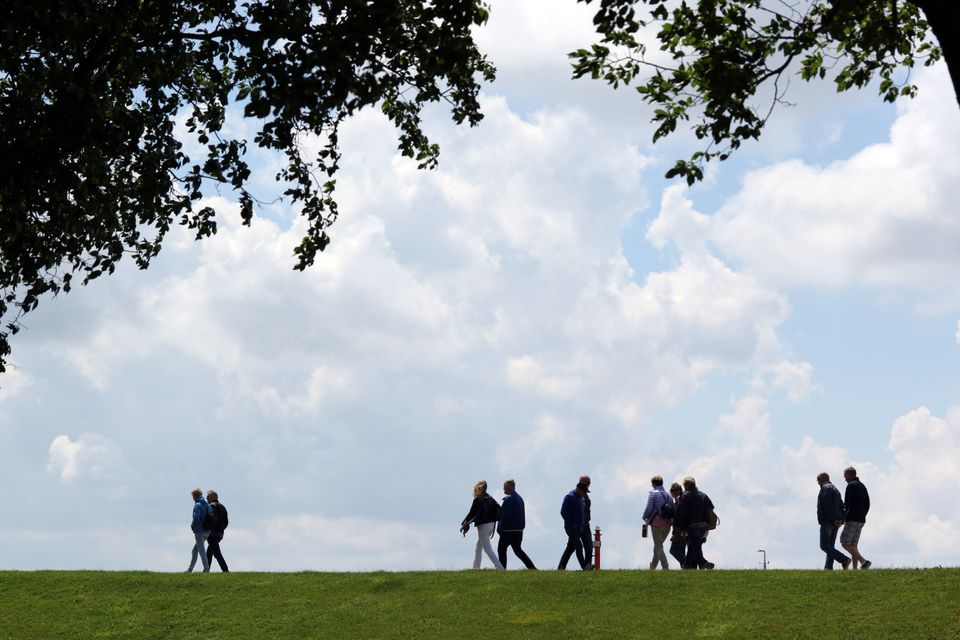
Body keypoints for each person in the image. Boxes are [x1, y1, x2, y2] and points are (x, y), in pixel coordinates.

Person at [460, 480, 504, 569]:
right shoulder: (490, 498)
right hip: (491, 526)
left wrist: (463, 523)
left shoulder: (477, 499)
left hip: (483, 527)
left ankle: (499, 568)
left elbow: (471, 513)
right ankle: (476, 567)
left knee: (488, 549)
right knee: (478, 546)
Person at [674, 476, 715, 570]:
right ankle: (687, 565)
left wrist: (681, 528)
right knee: (693, 546)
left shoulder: (685, 496)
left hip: (692, 527)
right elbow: (711, 509)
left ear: (686, 485)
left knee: (695, 546)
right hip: (704, 527)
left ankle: (702, 563)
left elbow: (682, 513)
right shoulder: (704, 495)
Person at [497, 479, 537, 569]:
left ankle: (502, 569)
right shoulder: (519, 498)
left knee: (501, 549)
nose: (503, 488)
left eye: (505, 486)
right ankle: (532, 568)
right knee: (518, 551)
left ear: (510, 487)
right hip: (518, 530)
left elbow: (506, 516)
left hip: (508, 531)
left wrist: (500, 528)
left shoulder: (508, 499)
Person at [817, 472, 851, 570]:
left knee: (824, 545)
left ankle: (844, 559)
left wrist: (834, 520)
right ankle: (828, 567)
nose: (817, 482)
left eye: (818, 480)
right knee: (830, 546)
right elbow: (842, 506)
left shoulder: (825, 488)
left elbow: (827, 507)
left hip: (828, 521)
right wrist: (841, 519)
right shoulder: (835, 489)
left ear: (823, 479)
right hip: (836, 522)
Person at [841, 467, 872, 569]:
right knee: (853, 545)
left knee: (844, 542)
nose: (845, 479)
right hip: (861, 519)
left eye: (845, 476)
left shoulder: (851, 486)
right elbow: (867, 503)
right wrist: (863, 514)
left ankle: (863, 561)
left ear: (850, 475)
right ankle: (855, 568)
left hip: (852, 519)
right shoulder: (862, 486)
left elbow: (847, 504)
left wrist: (846, 517)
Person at [642, 475, 674, 570]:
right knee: (657, 547)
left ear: (653, 484)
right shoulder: (669, 495)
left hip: (656, 523)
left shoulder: (653, 493)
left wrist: (644, 517)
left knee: (658, 547)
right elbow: (673, 509)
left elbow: (649, 508)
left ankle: (665, 567)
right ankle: (652, 568)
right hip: (668, 524)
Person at [558, 481, 590, 570]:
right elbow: (563, 512)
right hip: (571, 528)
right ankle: (585, 567)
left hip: (579, 528)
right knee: (579, 546)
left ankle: (560, 568)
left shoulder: (580, 497)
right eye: (584, 492)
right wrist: (572, 523)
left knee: (570, 548)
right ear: (579, 489)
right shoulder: (569, 497)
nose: (585, 494)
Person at [187, 487, 211, 573]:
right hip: (207, 531)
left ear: (194, 496)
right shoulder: (206, 504)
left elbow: (196, 518)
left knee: (201, 551)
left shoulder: (197, 505)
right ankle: (190, 569)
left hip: (199, 531)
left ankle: (206, 569)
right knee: (195, 550)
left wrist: (192, 526)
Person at [205, 490, 230, 573]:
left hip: (212, 534)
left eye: (208, 496)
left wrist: (208, 528)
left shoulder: (211, 506)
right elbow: (226, 522)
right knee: (209, 552)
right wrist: (221, 529)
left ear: (214, 497)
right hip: (220, 534)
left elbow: (212, 519)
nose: (207, 498)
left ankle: (225, 570)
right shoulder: (223, 507)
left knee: (217, 554)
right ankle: (206, 570)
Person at [667, 482, 687, 567]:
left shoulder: (680, 502)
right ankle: (686, 569)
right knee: (681, 551)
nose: (674, 492)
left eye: (676, 490)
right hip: (681, 530)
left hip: (680, 530)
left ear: (680, 490)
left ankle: (688, 564)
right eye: (672, 490)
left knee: (673, 550)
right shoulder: (675, 504)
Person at [579, 474, 594, 569]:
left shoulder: (586, 496)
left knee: (589, 546)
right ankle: (561, 566)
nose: (587, 484)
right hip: (577, 525)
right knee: (571, 548)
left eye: (588, 483)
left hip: (586, 525)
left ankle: (587, 565)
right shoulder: (575, 495)